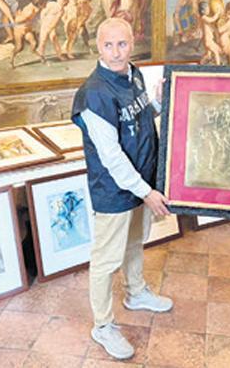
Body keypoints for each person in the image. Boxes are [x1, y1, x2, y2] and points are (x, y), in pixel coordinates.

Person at [71, 18, 173, 360]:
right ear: (98, 47)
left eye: (122, 44)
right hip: (115, 189)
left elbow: (139, 118)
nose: (116, 53)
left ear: (133, 43)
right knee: (106, 259)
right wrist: (146, 191)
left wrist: (159, 103)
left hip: (140, 181)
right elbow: (112, 156)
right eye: (108, 45)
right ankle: (102, 325)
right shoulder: (93, 94)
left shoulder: (135, 75)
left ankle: (136, 292)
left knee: (134, 242)